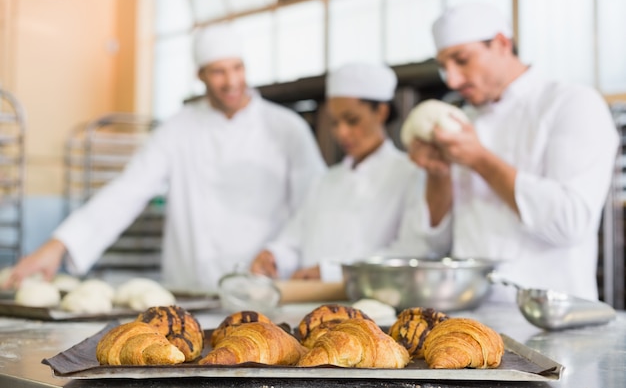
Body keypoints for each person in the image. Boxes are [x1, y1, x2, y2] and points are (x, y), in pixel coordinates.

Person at [4, 23, 326, 291]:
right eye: (218, 72)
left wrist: (282, 253)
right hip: (193, 290)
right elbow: (128, 190)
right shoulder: (179, 128)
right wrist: (58, 246)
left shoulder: (287, 128)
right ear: (200, 75)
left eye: (237, 68)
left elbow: (315, 205)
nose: (231, 82)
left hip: (264, 291)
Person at [407, 3, 619, 302]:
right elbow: (434, 245)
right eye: (444, 67)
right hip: (472, 319)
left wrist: (480, 160)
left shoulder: (571, 104)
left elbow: (570, 223)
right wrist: (439, 175)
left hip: (551, 320)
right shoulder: (459, 120)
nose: (452, 80)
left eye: (462, 60)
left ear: (502, 44)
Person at [250, 62, 429, 281]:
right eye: (334, 122)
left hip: (372, 309)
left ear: (381, 112)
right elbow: (294, 240)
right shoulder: (325, 181)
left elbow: (411, 252)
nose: (342, 133)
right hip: (310, 308)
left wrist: (332, 272)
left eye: (352, 120)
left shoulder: (411, 174)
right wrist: (273, 256)